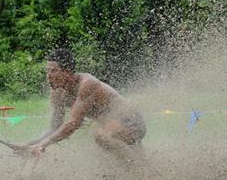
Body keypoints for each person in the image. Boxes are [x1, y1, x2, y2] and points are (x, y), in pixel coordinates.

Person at [18, 48, 146, 164]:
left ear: (67, 72)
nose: (48, 76)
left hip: (132, 122)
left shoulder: (87, 84)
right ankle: (141, 170)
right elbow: (54, 128)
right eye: (47, 71)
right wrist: (32, 144)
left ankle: (137, 172)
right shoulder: (57, 93)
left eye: (53, 71)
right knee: (105, 151)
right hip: (111, 127)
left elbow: (74, 123)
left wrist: (43, 145)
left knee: (102, 137)